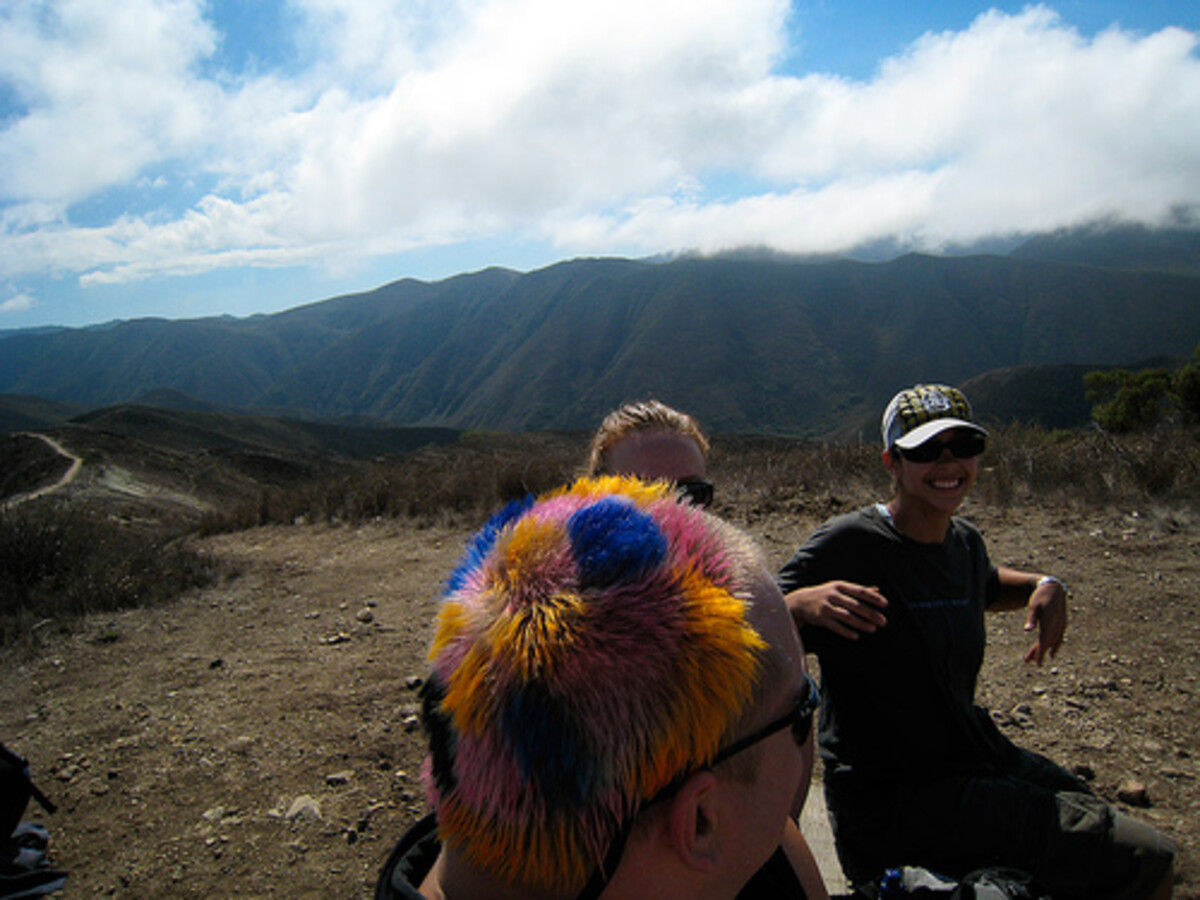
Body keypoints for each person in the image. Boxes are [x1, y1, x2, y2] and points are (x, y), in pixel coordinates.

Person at [778, 384, 1177, 899]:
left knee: (1089, 812)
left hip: (972, 754)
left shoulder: (962, 540)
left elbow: (983, 583)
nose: (948, 463)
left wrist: (1045, 584)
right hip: (895, 799)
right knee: (1143, 857)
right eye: (925, 450)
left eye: (961, 447)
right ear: (891, 462)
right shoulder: (849, 543)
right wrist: (797, 606)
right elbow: (746, 615)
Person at [377, 476, 818, 900]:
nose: (808, 728)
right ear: (701, 821)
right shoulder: (769, 867)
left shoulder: (769, 861)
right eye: (800, 711)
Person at [586, 399, 829, 900]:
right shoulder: (548, 628)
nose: (672, 512)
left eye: (692, 494)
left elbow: (784, 787)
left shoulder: (736, 616)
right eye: (642, 493)